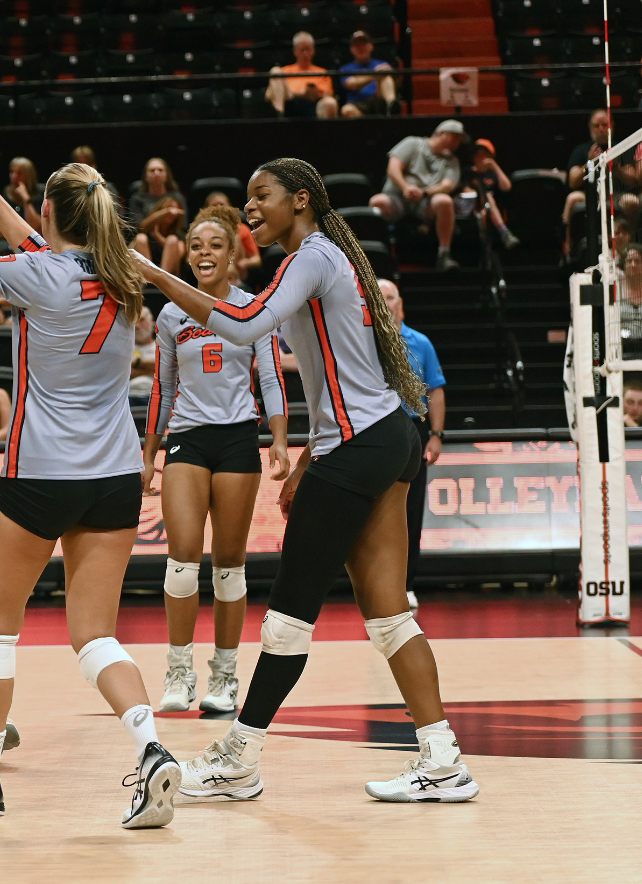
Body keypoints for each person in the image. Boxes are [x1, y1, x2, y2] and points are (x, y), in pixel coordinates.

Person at [137, 157, 479, 804]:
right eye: (245, 199)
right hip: (383, 439)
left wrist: (155, 273)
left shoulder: (311, 258)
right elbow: (333, 379)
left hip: (358, 446)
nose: (250, 210)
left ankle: (240, 758)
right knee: (389, 618)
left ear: (300, 199)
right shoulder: (318, 260)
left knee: (288, 619)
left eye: (260, 196)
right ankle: (443, 758)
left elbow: (241, 327)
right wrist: (306, 460)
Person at [0, 118, 181, 828]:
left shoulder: (33, 273)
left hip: (41, 475)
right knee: (95, 633)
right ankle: (151, 747)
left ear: (51, 213)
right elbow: (47, 249)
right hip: (115, 474)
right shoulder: (122, 274)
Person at [142, 204, 289, 716]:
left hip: (236, 440)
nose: (205, 253)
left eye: (215, 245)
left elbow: (270, 375)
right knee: (181, 562)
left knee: (229, 566)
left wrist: (278, 438)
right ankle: (178, 672)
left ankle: (224, 676)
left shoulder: (254, 308)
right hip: (186, 439)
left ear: (232, 256)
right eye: (197, 245)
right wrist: (149, 453)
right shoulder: (171, 313)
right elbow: (163, 388)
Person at [381, 279, 445, 611]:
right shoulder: (367, 343)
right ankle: (378, 584)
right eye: (379, 297)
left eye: (389, 297)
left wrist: (436, 435)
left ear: (400, 303)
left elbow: (435, 390)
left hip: (413, 430)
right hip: (375, 431)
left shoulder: (421, 343)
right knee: (374, 511)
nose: (385, 303)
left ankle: (406, 585)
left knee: (410, 512)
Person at [370, 119, 466, 272]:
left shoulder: (452, 161)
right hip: (398, 197)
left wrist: (425, 193)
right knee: (377, 202)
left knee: (445, 201)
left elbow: (448, 185)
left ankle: (444, 254)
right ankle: (374, 254)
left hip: (425, 202)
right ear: (441, 134)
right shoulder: (413, 143)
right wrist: (406, 187)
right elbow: (393, 168)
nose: (457, 144)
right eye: (455, 138)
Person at [564, 109, 639, 233]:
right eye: (596, 126)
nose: (601, 129)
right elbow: (572, 182)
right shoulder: (581, 150)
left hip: (616, 196)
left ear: (612, 126)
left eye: (605, 125)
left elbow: (633, 180)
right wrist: (589, 163)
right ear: (590, 127)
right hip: (589, 196)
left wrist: (616, 167)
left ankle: (627, 243)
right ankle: (568, 245)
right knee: (572, 198)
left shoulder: (622, 148)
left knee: (632, 201)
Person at [129, 158, 188, 276]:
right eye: (152, 170)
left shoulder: (176, 197)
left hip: (169, 242)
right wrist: (164, 213)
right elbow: (140, 227)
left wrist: (159, 236)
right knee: (141, 239)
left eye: (160, 170)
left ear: (167, 175)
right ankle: (149, 280)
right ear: (145, 176)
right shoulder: (137, 198)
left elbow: (182, 228)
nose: (156, 173)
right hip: (144, 245)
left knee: (175, 241)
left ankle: (162, 281)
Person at [266, 32, 339, 119]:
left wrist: (315, 93)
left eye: (308, 49)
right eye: (302, 50)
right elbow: (269, 95)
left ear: (313, 51)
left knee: (330, 102)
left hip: (313, 105)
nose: (305, 54)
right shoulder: (285, 71)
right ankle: (280, 116)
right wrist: (300, 94)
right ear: (295, 51)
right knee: (275, 71)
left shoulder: (322, 72)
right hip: (289, 102)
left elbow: (328, 94)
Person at [469, 139, 519, 250]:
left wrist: (494, 166)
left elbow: (507, 187)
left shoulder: (493, 174)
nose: (480, 158)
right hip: (470, 207)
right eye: (477, 155)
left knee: (485, 211)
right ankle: (504, 232)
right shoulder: (468, 172)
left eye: (484, 154)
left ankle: (486, 251)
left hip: (487, 211)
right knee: (487, 198)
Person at [204, 191, 262, 284]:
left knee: (234, 236)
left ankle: (226, 275)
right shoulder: (201, 229)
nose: (219, 208)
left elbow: (256, 259)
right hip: (210, 267)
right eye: (214, 205)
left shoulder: (242, 229)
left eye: (222, 204)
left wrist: (245, 263)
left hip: (236, 272)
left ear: (229, 207)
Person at [338, 31, 397, 118]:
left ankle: (391, 105)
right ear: (352, 49)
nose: (361, 48)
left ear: (371, 46)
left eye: (364, 44)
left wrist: (385, 72)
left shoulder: (382, 64)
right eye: (357, 46)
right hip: (358, 104)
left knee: (386, 76)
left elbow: (395, 82)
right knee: (347, 110)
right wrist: (374, 74)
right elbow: (351, 84)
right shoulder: (345, 69)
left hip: (378, 100)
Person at [2, 156, 43, 232]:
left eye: (19, 173)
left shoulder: (39, 195)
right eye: (12, 172)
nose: (14, 176)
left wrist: (26, 199)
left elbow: (35, 226)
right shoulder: (6, 194)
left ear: (29, 176)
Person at [129, 305, 156, 405]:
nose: (136, 325)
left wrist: (136, 362)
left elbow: (169, 369)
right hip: (129, 397)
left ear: (151, 321)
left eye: (141, 320)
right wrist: (152, 369)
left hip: (155, 398)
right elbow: (121, 373)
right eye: (133, 321)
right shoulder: (124, 350)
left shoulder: (162, 348)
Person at [619, 244, 642, 357]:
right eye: (629, 261)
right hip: (622, 347)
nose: (633, 265)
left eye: (637, 261)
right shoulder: (616, 291)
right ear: (623, 265)